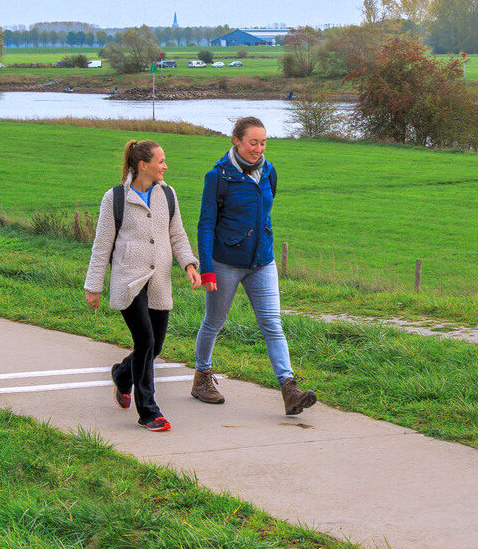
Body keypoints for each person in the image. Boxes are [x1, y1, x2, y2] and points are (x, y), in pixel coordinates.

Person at [192, 116, 318, 416]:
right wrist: (207, 267)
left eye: (263, 143)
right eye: (253, 142)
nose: (258, 149)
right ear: (236, 140)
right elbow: (206, 224)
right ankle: (201, 378)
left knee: (273, 324)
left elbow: (266, 208)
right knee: (214, 321)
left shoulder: (269, 171)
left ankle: (289, 389)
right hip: (226, 263)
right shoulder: (218, 177)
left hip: (262, 261)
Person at [85, 139, 201, 432]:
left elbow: (177, 235)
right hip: (129, 281)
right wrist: (93, 286)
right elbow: (102, 246)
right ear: (143, 165)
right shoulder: (115, 198)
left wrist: (189, 264)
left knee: (155, 346)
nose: (165, 166)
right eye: (161, 161)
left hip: (159, 281)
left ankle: (123, 375)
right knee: (146, 342)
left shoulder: (168, 194)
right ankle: (149, 411)